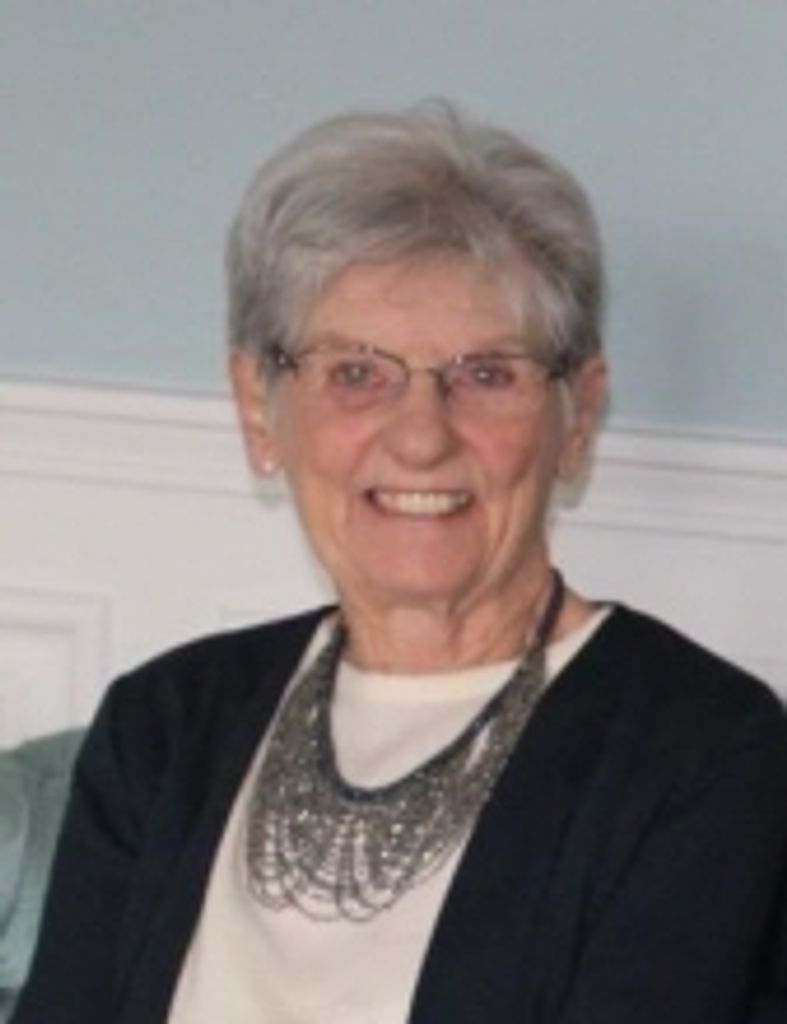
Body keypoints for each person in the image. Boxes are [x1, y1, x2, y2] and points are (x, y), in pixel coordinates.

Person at [12, 103, 787, 1024]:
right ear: (259, 409)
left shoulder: (701, 755)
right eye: (355, 373)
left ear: (576, 415)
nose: (421, 437)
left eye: (485, 374)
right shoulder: (164, 728)